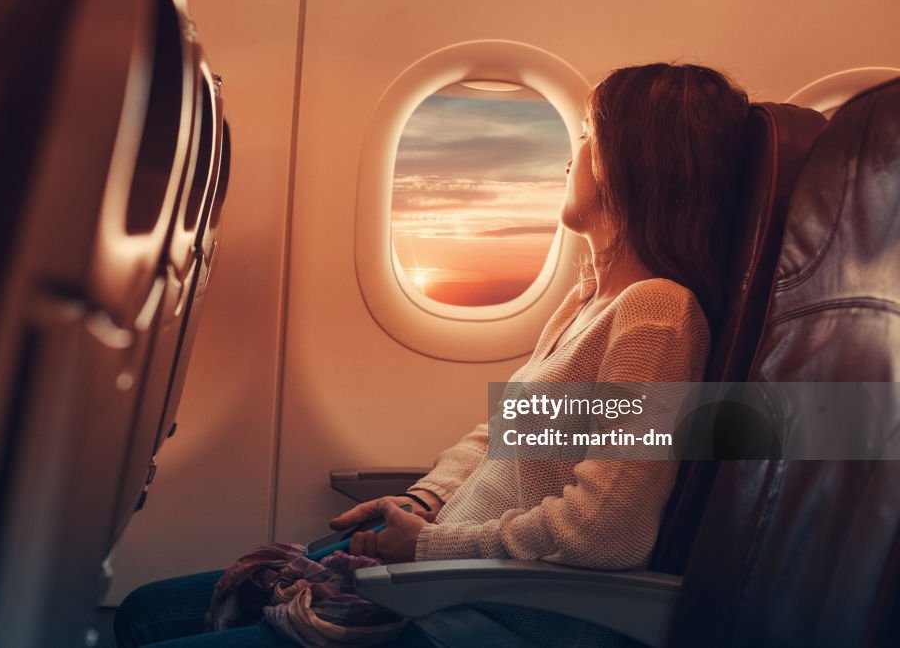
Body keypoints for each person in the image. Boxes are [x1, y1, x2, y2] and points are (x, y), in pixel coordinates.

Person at [114, 62, 750, 647]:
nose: (569, 155)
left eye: (584, 135)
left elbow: (609, 530)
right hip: (445, 580)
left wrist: (429, 547)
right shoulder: (588, 303)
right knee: (145, 609)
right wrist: (424, 501)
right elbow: (500, 438)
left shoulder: (657, 313)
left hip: (496, 614)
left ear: (630, 161)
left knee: (148, 622)